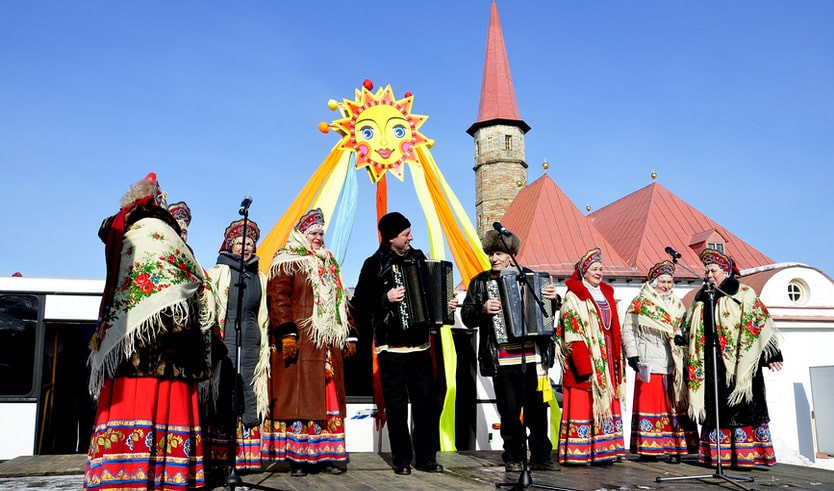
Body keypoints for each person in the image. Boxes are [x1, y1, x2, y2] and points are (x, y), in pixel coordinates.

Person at [84, 172, 214, 490]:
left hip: (125, 337)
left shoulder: (122, 231)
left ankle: (119, 473)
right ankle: (167, 474)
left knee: (128, 401)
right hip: (168, 338)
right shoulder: (159, 231)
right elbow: (193, 279)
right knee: (164, 402)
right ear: (158, 203)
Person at [350, 212, 453, 475]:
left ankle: (426, 457)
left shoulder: (419, 258)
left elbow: (432, 291)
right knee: (396, 407)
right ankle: (401, 459)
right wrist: (385, 297)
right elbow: (359, 305)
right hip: (391, 347)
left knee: (425, 405)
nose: (411, 238)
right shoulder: (373, 264)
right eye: (406, 234)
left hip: (420, 345)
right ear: (391, 237)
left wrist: (445, 305)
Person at [261, 208, 357, 476]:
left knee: (326, 400)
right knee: (302, 401)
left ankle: (326, 456)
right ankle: (298, 459)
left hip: (326, 344)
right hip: (302, 341)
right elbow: (278, 297)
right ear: (301, 234)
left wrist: (349, 332)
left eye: (321, 233)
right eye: (313, 232)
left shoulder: (329, 263)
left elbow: (341, 300)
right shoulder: (287, 260)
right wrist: (287, 332)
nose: (318, 237)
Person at [460, 230, 559, 472]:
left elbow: (546, 318)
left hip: (533, 356)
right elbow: (466, 316)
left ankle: (541, 456)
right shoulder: (481, 282)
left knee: (537, 409)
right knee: (510, 411)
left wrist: (554, 300)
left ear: (511, 255)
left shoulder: (532, 278)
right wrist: (482, 309)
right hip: (503, 356)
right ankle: (513, 455)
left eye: (499, 253)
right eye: (492, 254)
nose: (494, 258)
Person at [684, 248, 783, 468]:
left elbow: (760, 322)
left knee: (742, 406)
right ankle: (720, 457)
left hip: (739, 362)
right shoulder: (701, 297)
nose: (709, 275)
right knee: (715, 408)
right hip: (711, 361)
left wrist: (772, 354)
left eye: (714, 270)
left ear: (726, 271)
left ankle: (746, 457)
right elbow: (689, 323)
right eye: (707, 270)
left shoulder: (742, 293)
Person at [202, 218, 270, 480]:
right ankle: (220, 458)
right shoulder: (218, 273)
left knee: (250, 393)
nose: (245, 248)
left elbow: (264, 311)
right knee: (225, 392)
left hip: (252, 340)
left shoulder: (260, 277)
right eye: (240, 243)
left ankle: (246, 459)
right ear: (231, 245)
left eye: (249, 243)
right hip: (226, 340)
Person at [621, 259, 697, 462]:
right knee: (651, 405)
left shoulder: (677, 304)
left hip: (673, 362)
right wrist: (633, 355)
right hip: (650, 361)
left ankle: (674, 447)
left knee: (673, 406)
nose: (666, 286)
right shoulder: (640, 303)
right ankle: (649, 448)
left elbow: (684, 327)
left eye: (670, 282)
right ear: (654, 283)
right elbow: (628, 330)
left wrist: (682, 338)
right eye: (662, 281)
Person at [556, 247, 626, 465]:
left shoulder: (606, 294)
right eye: (594, 269)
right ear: (584, 271)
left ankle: (605, 450)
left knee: (608, 399)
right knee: (584, 401)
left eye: (601, 268)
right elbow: (572, 331)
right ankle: (580, 451)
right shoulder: (573, 297)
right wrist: (583, 364)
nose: (599, 272)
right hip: (587, 357)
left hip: (606, 358)